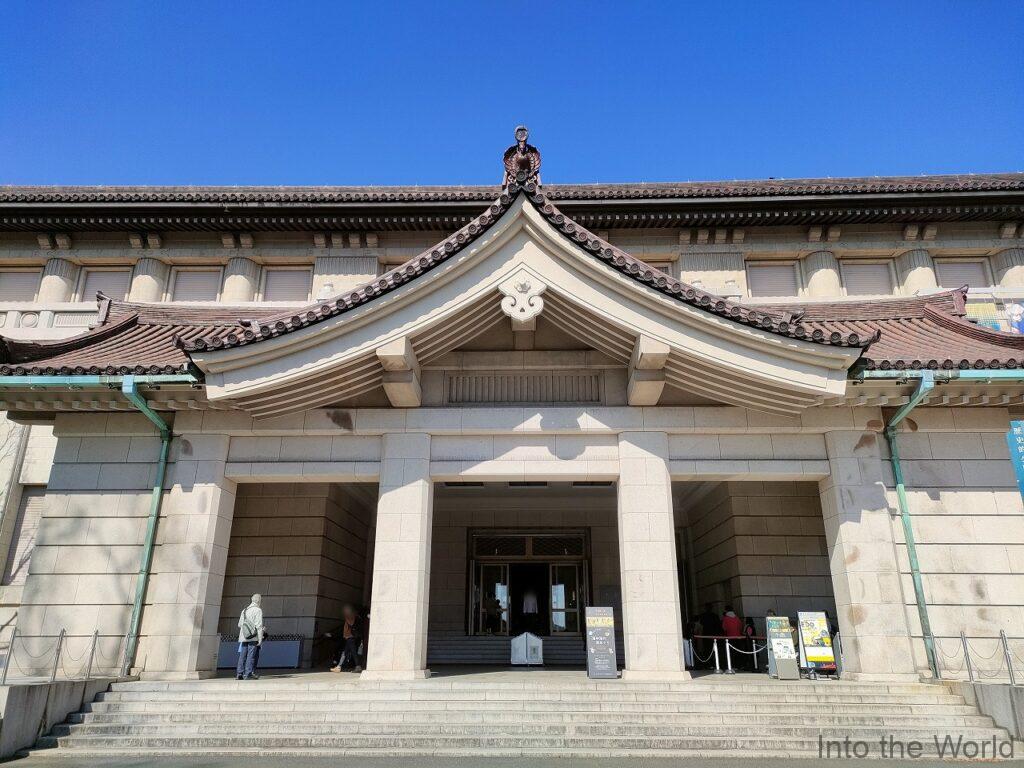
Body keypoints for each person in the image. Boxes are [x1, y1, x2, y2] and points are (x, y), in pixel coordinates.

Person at [236, 593, 265, 681]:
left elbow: (240, 624)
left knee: (242, 655)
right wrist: (260, 639)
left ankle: (239, 673)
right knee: (251, 655)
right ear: (259, 601)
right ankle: (248, 673)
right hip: (253, 636)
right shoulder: (258, 610)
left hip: (244, 636)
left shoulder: (244, 610)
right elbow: (259, 626)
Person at [330, 604, 365, 673]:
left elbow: (351, 624)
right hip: (349, 637)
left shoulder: (352, 617)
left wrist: (347, 618)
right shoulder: (353, 617)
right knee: (345, 652)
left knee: (353, 652)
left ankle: (358, 666)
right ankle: (339, 666)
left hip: (351, 637)